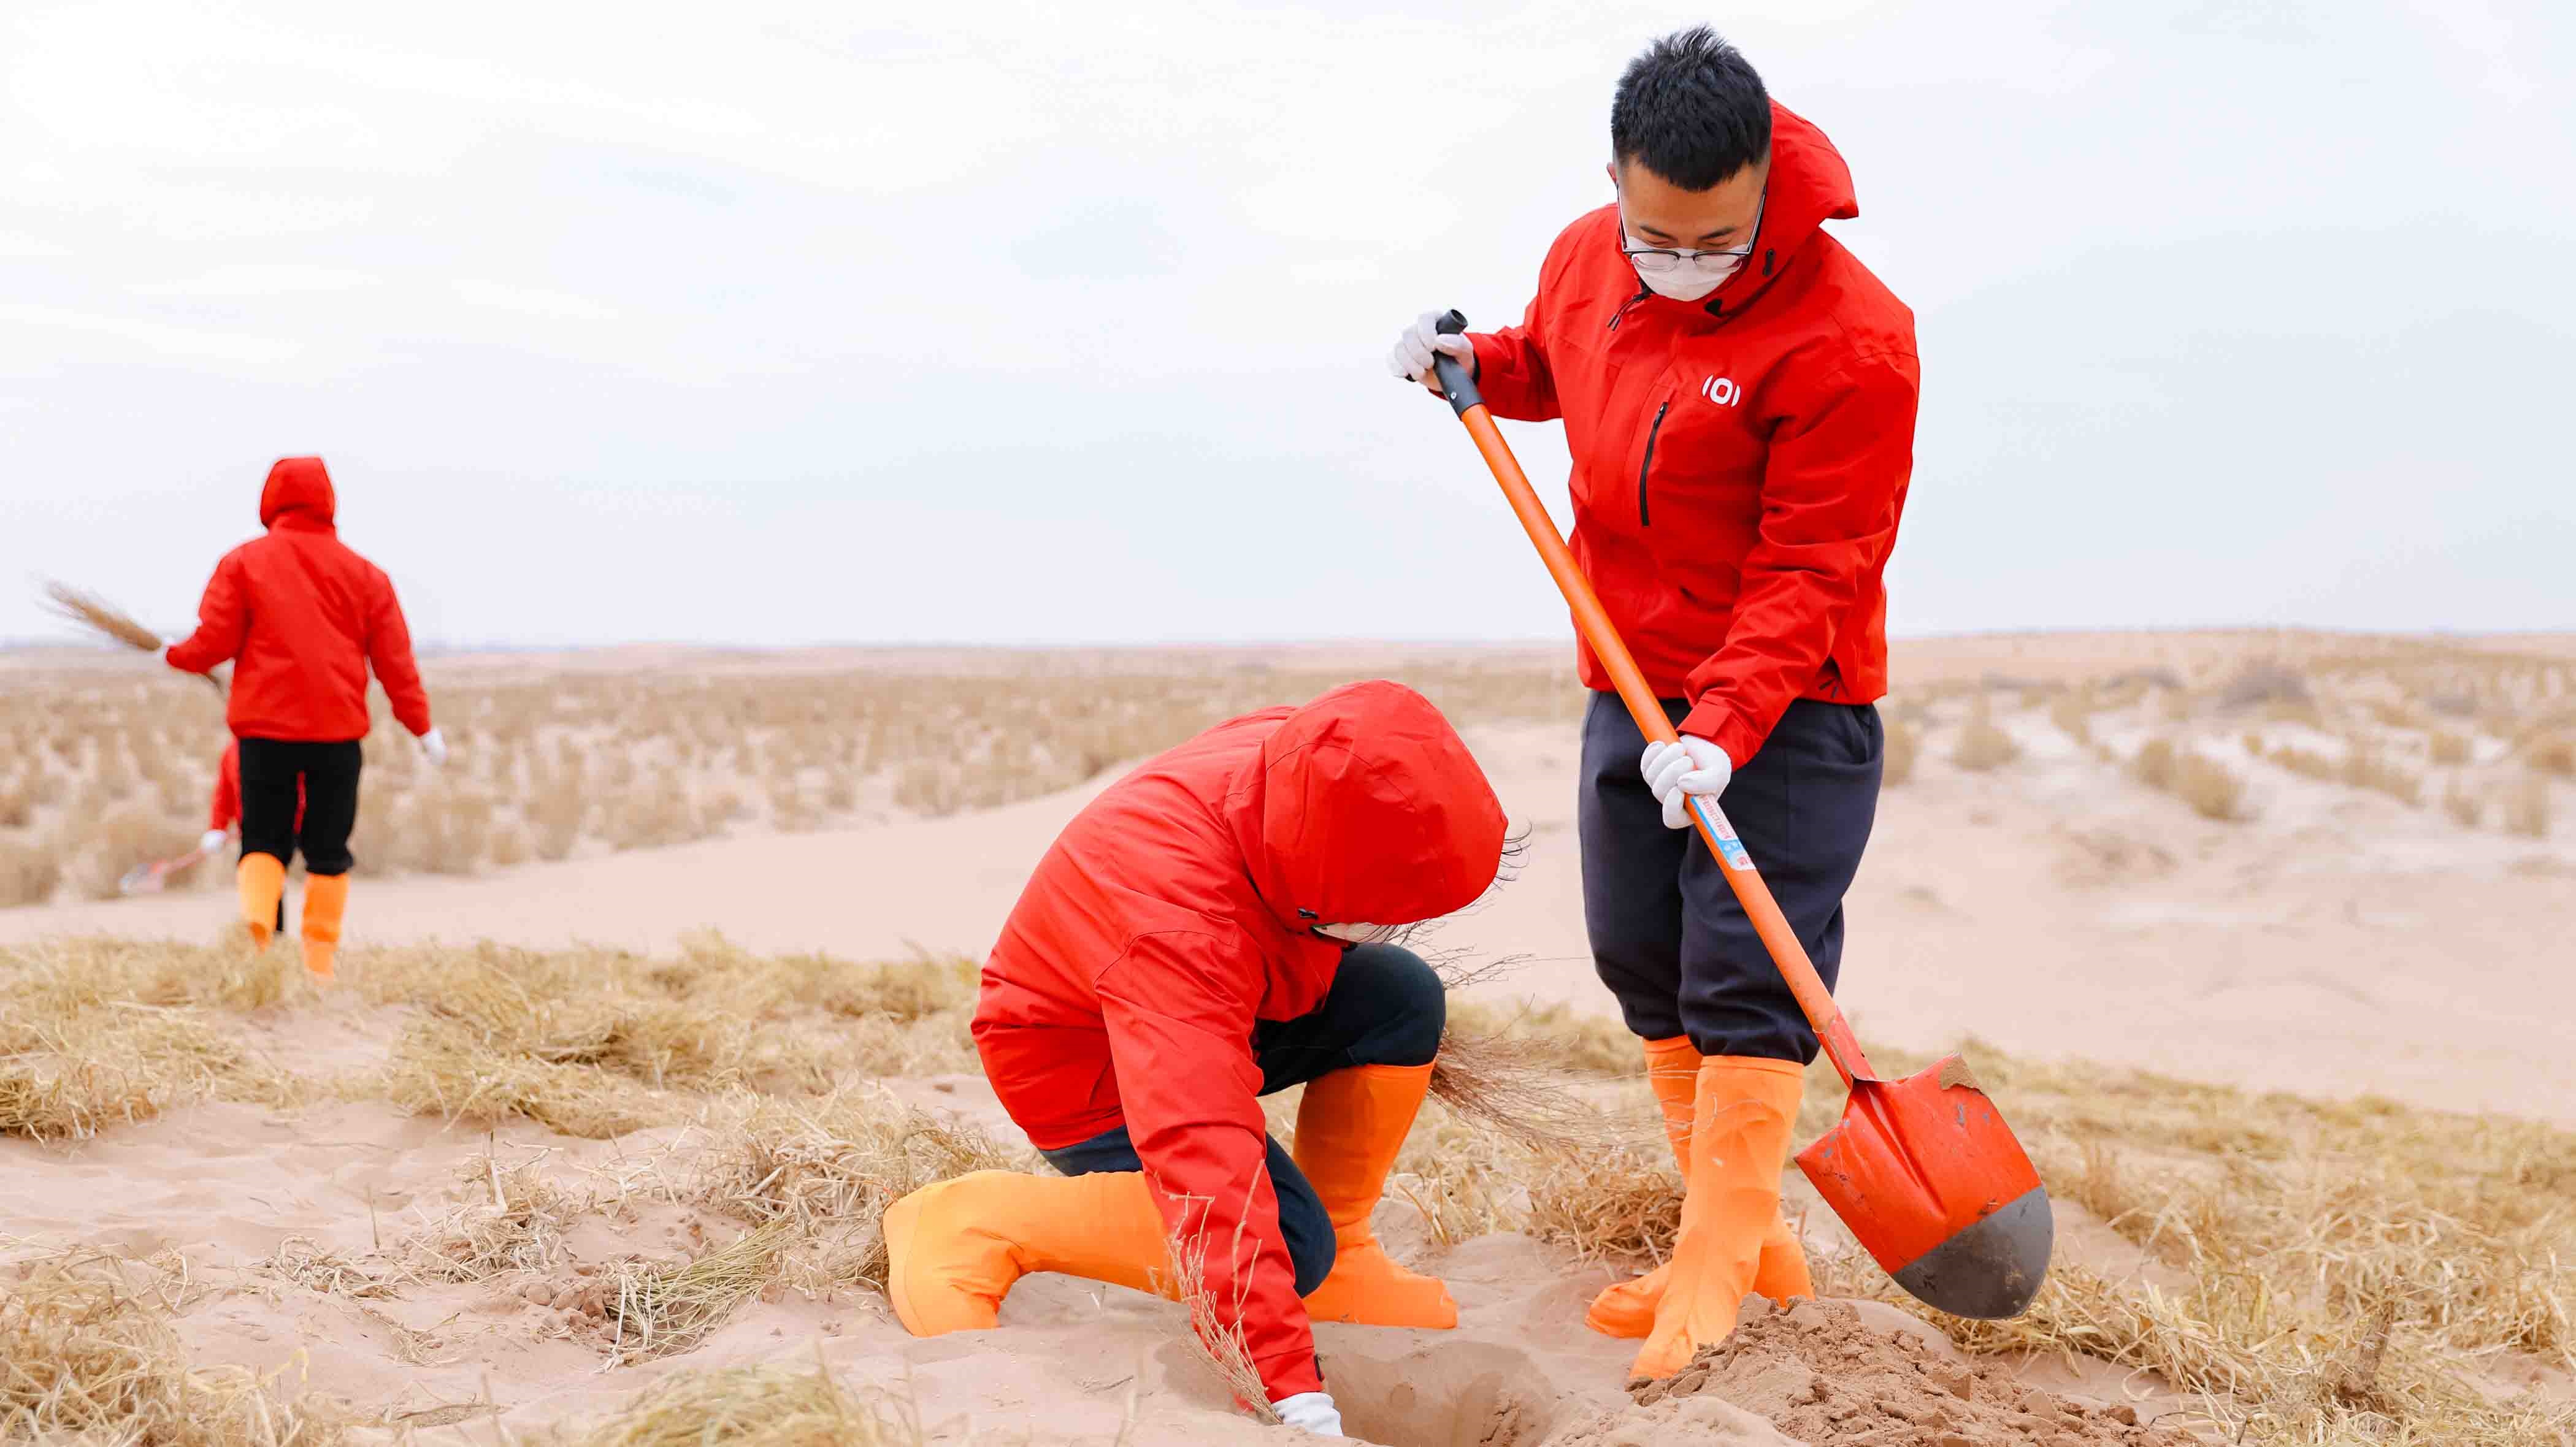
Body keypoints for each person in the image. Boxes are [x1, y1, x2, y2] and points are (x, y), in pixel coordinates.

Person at [1387, 28, 1918, 1381]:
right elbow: (1559, 367)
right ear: (1616, 186)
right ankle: (1748, 1240)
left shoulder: (1854, 340)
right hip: (1629, 671)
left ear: (1767, 192)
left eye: (1719, 240)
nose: (1684, 260)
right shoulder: (1589, 255)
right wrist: (1475, 367)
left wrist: (1726, 728)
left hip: (1787, 705)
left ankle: (1717, 1263)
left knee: (1746, 982)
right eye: (1657, 235)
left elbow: (1816, 565)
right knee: (1643, 959)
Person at [882, 681, 1511, 1438]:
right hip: (1084, 1069)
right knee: (1284, 1244)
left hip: (1215, 1000)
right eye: (1376, 914)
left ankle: (1343, 1255)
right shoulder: (1178, 932)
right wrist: (1292, 1396)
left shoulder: (1308, 758)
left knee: (1399, 994)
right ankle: (975, 1220)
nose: (1384, 927)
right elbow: (1205, 1155)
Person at [163, 457, 445, 979]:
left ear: (270, 502)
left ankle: (259, 956)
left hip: (263, 735)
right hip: (337, 738)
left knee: (263, 843)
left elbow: (213, 642)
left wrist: (175, 655)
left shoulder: (243, 563)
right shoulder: (367, 576)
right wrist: (422, 726)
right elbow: (395, 665)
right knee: (328, 850)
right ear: (328, 503)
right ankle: (319, 966)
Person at [202, 739, 300, 936]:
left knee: (268, 875)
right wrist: (217, 827)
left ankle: (267, 936)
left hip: (285, 825)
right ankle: (266, 936)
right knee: (259, 877)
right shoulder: (232, 751)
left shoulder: (288, 745)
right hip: (250, 829)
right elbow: (225, 793)